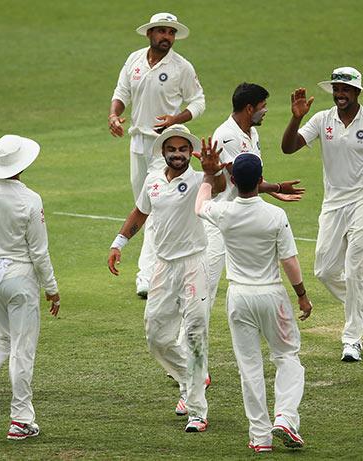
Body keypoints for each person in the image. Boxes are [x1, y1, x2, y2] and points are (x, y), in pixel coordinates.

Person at [281, 66, 363, 362]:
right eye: (337, 89)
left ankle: (352, 339)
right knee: (324, 270)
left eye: (346, 90)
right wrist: (296, 116)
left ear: (356, 93)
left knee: (355, 270)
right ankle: (361, 298)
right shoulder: (321, 119)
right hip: (334, 202)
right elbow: (288, 148)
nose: (340, 95)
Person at [107, 125, 224, 433]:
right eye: (171, 149)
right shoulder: (153, 181)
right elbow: (140, 212)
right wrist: (119, 243)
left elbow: (221, 186)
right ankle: (192, 377)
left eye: (182, 149)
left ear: (190, 153)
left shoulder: (200, 180)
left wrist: (212, 172)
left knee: (196, 333)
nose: (177, 154)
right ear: (163, 152)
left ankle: (197, 411)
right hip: (163, 267)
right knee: (156, 337)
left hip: (193, 263)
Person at [196, 153, 312, 453]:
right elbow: (289, 260)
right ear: (261, 181)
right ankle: (285, 417)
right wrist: (301, 294)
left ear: (233, 181)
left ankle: (260, 437)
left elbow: (200, 206)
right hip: (271, 295)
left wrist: (208, 175)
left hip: (239, 297)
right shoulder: (275, 215)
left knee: (249, 367)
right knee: (287, 357)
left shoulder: (224, 212)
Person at [0, 134, 60, 439]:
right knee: (22, 348)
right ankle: (20, 418)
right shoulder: (29, 199)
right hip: (19, 277)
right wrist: (52, 288)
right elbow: (39, 251)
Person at [109, 12, 206, 298]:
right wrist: (114, 115)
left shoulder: (181, 67)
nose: (167, 37)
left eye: (171, 33)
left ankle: (147, 276)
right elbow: (121, 92)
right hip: (137, 142)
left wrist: (177, 118)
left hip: (165, 146)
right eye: (162, 32)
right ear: (150, 34)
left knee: (155, 203)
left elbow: (199, 101)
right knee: (144, 204)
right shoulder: (134, 60)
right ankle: (157, 270)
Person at [206, 82, 304, 305]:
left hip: (243, 215)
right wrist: (277, 187)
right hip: (221, 218)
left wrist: (271, 191)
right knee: (207, 285)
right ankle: (188, 338)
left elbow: (252, 178)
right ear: (249, 108)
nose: (266, 110)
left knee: (250, 279)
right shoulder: (226, 136)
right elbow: (239, 179)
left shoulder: (253, 133)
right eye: (263, 105)